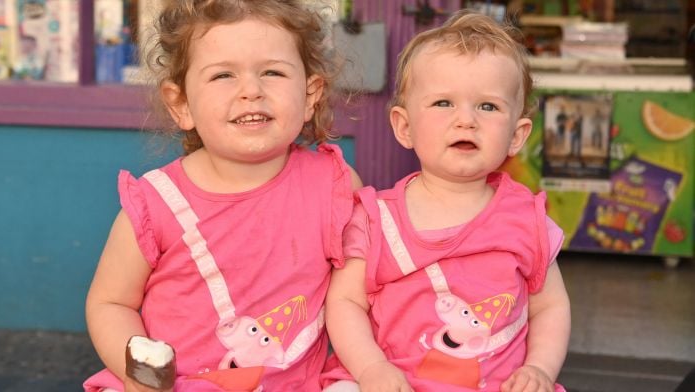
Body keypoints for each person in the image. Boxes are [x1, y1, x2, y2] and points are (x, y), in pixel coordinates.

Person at [84, 1, 361, 391]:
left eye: (273, 72)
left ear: (311, 94)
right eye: (223, 76)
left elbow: (363, 298)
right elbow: (111, 304)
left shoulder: (335, 186)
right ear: (181, 104)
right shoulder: (156, 203)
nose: (251, 90)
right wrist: (142, 376)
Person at [321, 10, 571, 392]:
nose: (465, 120)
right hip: (390, 381)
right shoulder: (375, 219)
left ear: (517, 135)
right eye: (443, 104)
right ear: (404, 127)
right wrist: (371, 369)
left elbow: (550, 306)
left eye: (487, 106)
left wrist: (539, 368)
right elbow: (345, 303)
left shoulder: (526, 219)